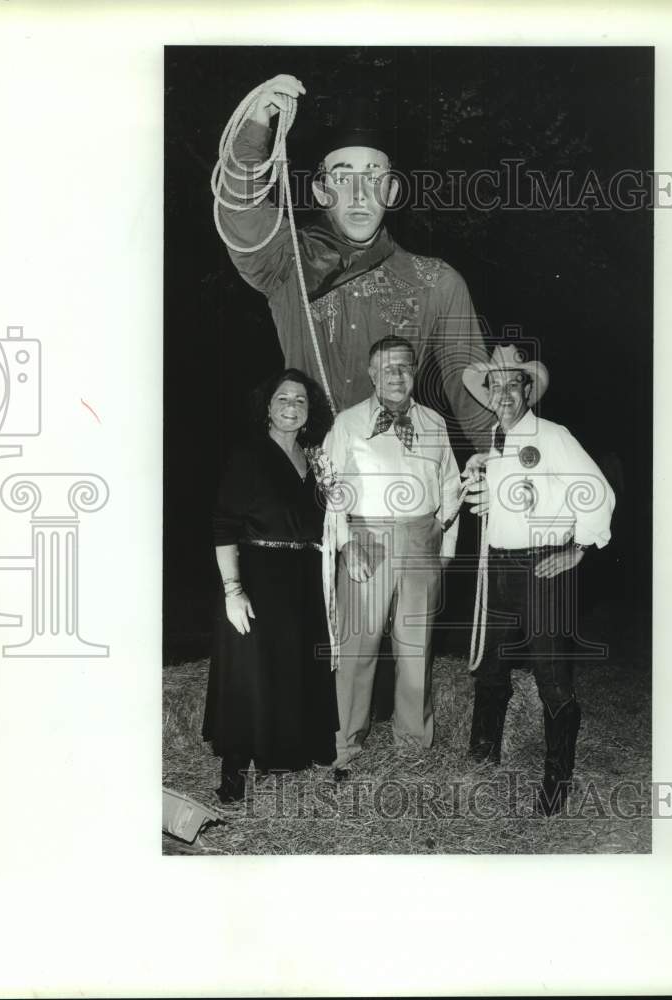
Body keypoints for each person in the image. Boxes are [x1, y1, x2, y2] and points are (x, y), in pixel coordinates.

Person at [212, 73, 495, 450]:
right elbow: (240, 215)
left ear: (392, 190)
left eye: (374, 177)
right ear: (320, 191)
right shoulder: (288, 262)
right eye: (343, 179)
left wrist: (501, 465)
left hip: (397, 480)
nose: (360, 194)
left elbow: (472, 388)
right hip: (307, 480)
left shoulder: (437, 283)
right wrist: (256, 123)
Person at [461, 343, 616, 816]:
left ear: (528, 390)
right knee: (490, 667)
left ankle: (557, 779)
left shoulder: (553, 435)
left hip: (543, 566)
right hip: (501, 566)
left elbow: (598, 491)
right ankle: (483, 757)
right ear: (487, 393)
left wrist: (579, 548)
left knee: (550, 674)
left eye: (514, 383)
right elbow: (510, 501)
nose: (504, 392)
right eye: (496, 384)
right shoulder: (494, 440)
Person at [323, 335, 461, 771]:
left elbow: (451, 485)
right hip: (367, 540)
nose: (396, 376)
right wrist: (346, 544)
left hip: (422, 540)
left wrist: (444, 547)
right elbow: (331, 492)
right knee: (357, 648)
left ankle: (413, 744)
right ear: (371, 373)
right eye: (386, 368)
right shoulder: (347, 423)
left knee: (416, 647)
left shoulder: (436, 423)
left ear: (415, 371)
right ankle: (345, 743)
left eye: (404, 367)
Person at [202, 369, 338, 802]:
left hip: (302, 577)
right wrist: (233, 590)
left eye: (300, 400)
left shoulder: (313, 459)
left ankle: (291, 753)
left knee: (294, 666)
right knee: (250, 671)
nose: (292, 407)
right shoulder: (248, 455)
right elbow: (224, 526)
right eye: (283, 399)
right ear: (267, 406)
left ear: (309, 411)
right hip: (258, 575)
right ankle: (234, 773)